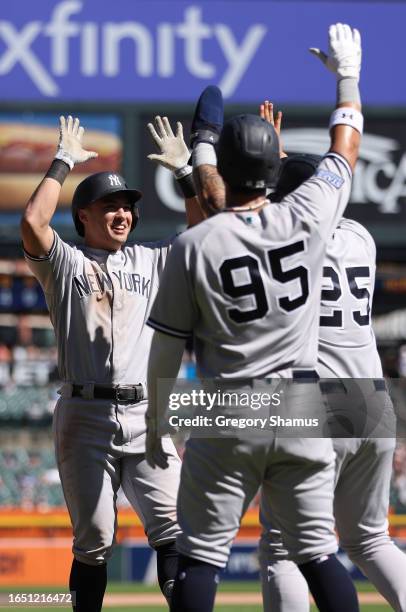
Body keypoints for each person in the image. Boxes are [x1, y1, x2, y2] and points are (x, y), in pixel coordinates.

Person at [145, 23, 363, 612]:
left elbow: (165, 350)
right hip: (301, 402)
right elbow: (344, 149)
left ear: (220, 170)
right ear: (275, 167)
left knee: (199, 555)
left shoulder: (195, 244)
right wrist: (349, 78)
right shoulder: (311, 216)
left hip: (229, 403)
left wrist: (161, 421)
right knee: (319, 554)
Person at [20, 114, 201, 611]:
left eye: (126, 207)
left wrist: (187, 173)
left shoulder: (151, 260)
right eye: (109, 206)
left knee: (175, 529)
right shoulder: (66, 265)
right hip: (86, 416)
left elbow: (209, 234)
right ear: (83, 216)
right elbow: (34, 223)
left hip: (148, 415)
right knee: (95, 540)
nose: (122, 214)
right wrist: (61, 163)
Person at [258, 148, 406, 612]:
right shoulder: (362, 237)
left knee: (283, 548)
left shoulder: (282, 241)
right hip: (370, 396)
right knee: (370, 539)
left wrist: (263, 167)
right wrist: (291, 171)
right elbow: (317, 197)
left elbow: (246, 220)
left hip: (315, 399)